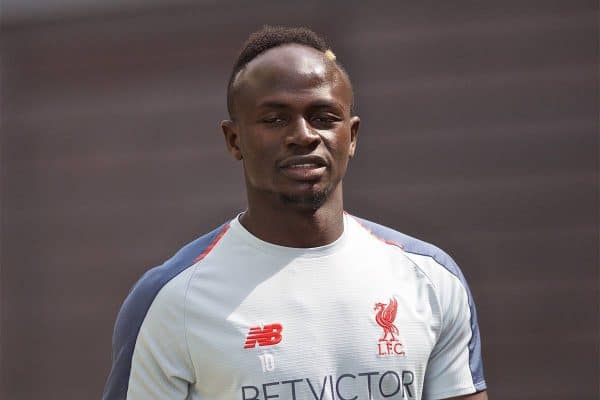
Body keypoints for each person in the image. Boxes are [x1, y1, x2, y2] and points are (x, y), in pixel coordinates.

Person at [102, 25, 488, 400]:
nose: (303, 135)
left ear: (351, 137)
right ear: (234, 140)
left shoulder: (430, 279)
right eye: (275, 119)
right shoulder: (171, 299)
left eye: (323, 118)